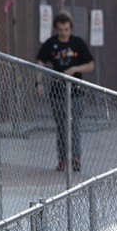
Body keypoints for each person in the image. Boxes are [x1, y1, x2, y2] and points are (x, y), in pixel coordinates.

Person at [35, 10, 94, 172]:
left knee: (74, 125)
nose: (63, 33)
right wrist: (38, 82)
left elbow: (90, 64)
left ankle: (75, 158)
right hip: (57, 93)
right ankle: (62, 158)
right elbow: (40, 62)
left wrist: (74, 68)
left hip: (76, 92)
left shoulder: (77, 43)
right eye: (60, 30)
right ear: (56, 29)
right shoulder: (51, 43)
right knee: (61, 126)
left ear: (70, 28)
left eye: (66, 30)